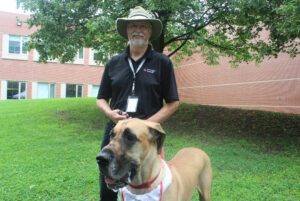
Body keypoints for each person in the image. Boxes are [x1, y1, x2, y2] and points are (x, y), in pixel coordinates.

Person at [96, 6, 179, 201]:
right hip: (116, 131)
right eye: (133, 25)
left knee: (149, 184)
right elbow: (101, 99)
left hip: (145, 135)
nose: (138, 29)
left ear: (150, 32)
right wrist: (109, 113)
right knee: (108, 178)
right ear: (127, 30)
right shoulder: (114, 63)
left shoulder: (162, 63)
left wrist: (146, 125)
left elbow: (173, 103)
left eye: (143, 26)